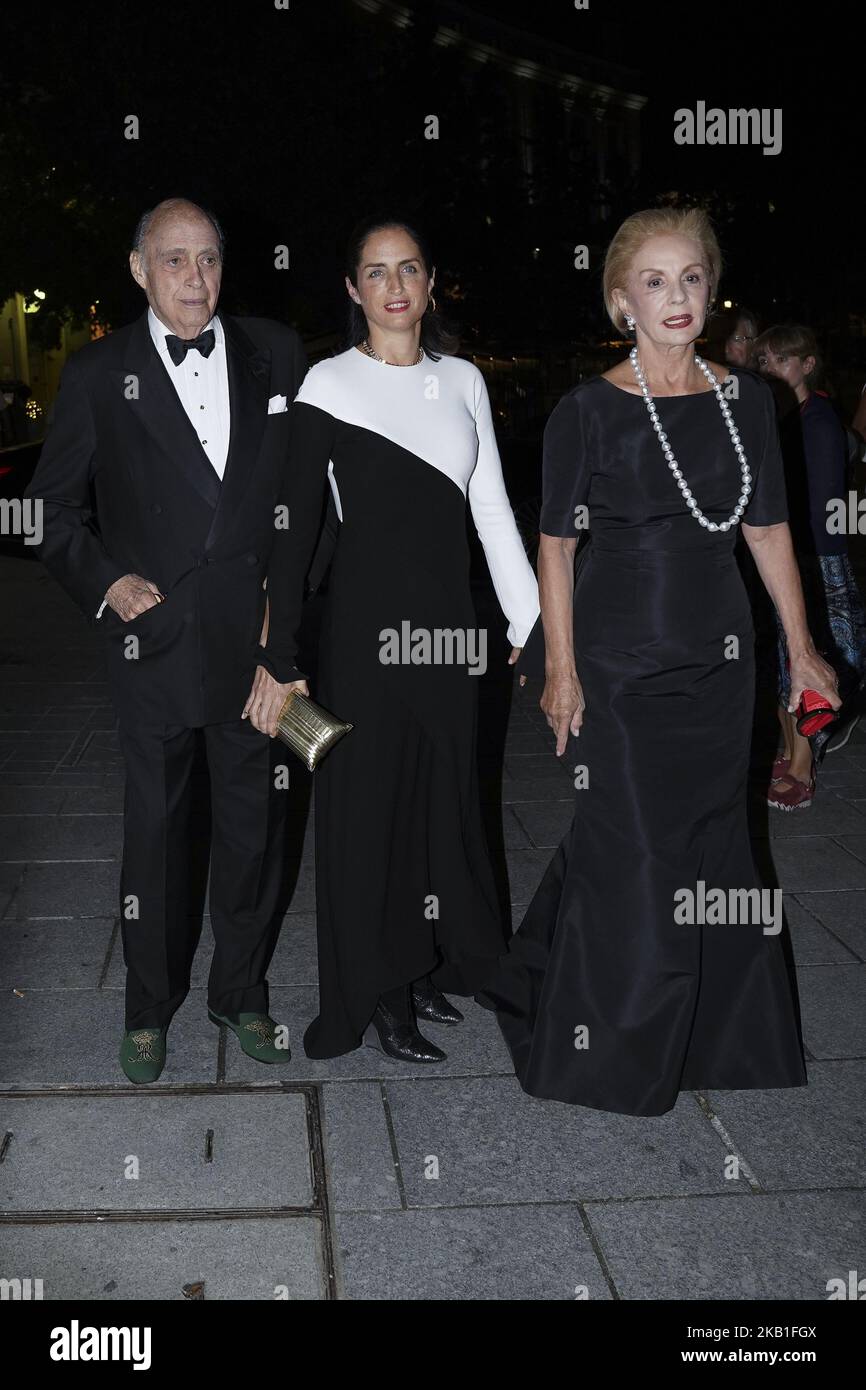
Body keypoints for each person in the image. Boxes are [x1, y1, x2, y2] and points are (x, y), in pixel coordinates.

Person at [474, 207, 839, 1116]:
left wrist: (800, 649)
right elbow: (554, 547)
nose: (676, 298)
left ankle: (716, 1034)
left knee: (715, 841)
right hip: (619, 660)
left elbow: (767, 529)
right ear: (620, 299)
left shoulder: (750, 400)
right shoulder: (587, 410)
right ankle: (611, 1048)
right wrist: (560, 669)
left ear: (711, 291)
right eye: (654, 281)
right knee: (632, 843)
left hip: (720, 661)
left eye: (691, 279)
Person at [25, 198, 308, 1082]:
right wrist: (105, 580)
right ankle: (147, 1009)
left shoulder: (275, 351)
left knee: (254, 832)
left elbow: (305, 506)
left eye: (210, 259)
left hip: (251, 644)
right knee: (155, 834)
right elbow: (48, 510)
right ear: (141, 269)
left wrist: (285, 627)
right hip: (152, 644)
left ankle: (242, 993)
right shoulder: (100, 371)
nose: (196, 278)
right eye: (175, 260)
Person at [245, 216, 539, 1063]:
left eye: (409, 268)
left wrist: (531, 626)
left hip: (451, 638)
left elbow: (491, 509)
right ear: (352, 289)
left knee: (441, 807)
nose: (395, 285)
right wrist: (282, 658)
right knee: (369, 817)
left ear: (431, 279)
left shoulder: (465, 380)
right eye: (375, 272)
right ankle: (374, 993)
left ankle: (426, 965)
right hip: (363, 643)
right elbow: (294, 536)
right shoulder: (327, 386)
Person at [756, 325, 866, 801]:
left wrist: (809, 566)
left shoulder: (817, 419)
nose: (769, 369)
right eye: (765, 360)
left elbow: (824, 507)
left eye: (780, 360)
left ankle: (802, 764)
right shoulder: (787, 419)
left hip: (817, 563)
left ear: (806, 365)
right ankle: (789, 746)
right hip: (793, 559)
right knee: (782, 659)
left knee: (809, 660)